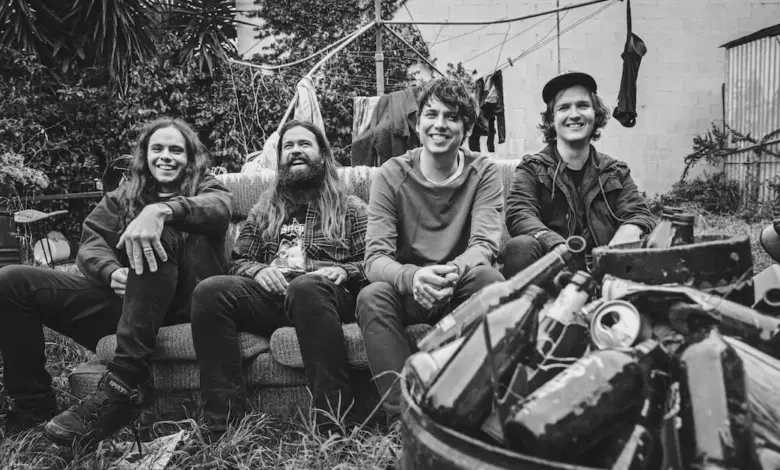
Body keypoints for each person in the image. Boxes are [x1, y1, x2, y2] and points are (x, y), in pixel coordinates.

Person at [0, 117, 232, 445]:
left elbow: (219, 209)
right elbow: (92, 243)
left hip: (186, 306)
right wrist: (111, 272)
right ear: (145, 155)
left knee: (156, 233)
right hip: (130, 306)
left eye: (176, 150)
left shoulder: (208, 188)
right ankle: (32, 406)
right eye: (157, 149)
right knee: (12, 280)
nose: (166, 156)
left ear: (191, 157)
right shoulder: (123, 196)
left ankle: (121, 386)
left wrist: (161, 211)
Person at [190, 120, 368, 437]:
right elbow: (238, 260)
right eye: (288, 146)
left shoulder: (350, 208)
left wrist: (345, 271)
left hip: (325, 297)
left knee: (306, 286)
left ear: (323, 155)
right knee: (210, 291)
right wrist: (259, 270)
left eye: (304, 144)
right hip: (273, 298)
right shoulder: (265, 209)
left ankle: (335, 425)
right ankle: (223, 426)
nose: (296, 150)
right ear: (280, 158)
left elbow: (375, 261)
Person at [355, 78, 506, 423]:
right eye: (431, 114)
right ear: (418, 122)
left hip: (459, 286)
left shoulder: (484, 171)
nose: (440, 124)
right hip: (409, 292)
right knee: (372, 295)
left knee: (490, 281)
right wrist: (414, 278)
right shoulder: (391, 173)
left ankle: (472, 414)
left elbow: (485, 245)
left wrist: (449, 273)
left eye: (452, 117)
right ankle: (406, 422)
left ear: (467, 128)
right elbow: (375, 259)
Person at [503, 71, 655, 278]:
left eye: (582, 105)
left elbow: (639, 214)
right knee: (521, 246)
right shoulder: (532, 168)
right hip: (551, 270)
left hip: (606, 271)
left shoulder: (615, 171)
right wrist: (558, 246)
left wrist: (615, 249)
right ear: (551, 119)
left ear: (595, 114)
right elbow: (519, 213)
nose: (574, 114)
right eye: (564, 107)